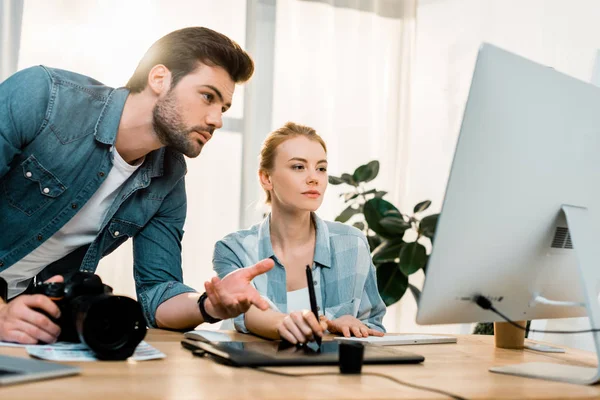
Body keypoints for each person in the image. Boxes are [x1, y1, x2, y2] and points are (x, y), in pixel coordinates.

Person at [0, 27, 275, 345]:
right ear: (160, 79)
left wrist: (208, 305)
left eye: (223, 108)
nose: (217, 119)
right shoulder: (45, 97)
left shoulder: (168, 179)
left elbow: (158, 292)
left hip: (18, 321)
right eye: (207, 97)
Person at [213, 122, 386, 344]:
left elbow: (373, 326)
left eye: (321, 168)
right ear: (267, 178)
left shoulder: (353, 244)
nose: (314, 178)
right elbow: (245, 313)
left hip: (331, 376)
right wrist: (323, 322)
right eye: (298, 167)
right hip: (254, 373)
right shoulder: (233, 249)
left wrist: (352, 326)